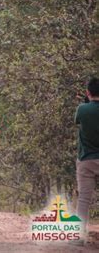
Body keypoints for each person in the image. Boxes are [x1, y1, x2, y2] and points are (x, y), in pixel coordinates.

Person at [75, 77, 99, 243]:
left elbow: (77, 121)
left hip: (86, 160)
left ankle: (79, 236)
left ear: (88, 92)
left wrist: (85, 103)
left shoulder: (82, 109)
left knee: (84, 199)